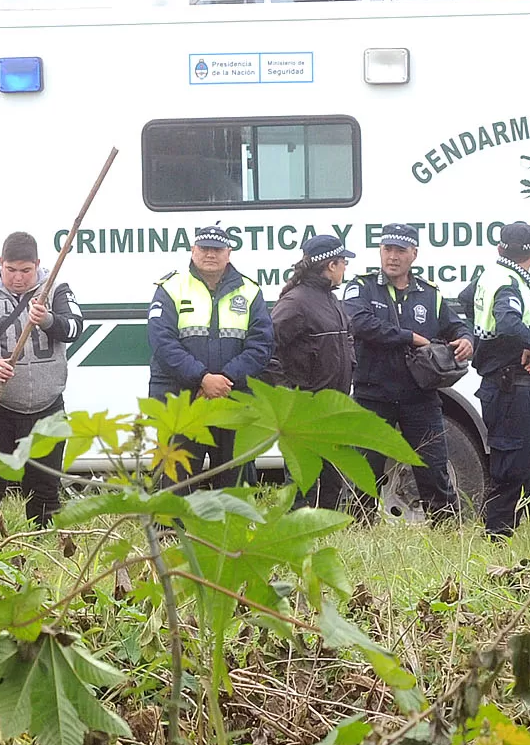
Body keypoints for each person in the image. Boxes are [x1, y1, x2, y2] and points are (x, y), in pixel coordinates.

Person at [0, 232, 83, 527]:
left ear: (38, 264)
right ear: (1, 264)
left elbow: (74, 328)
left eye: (26, 271)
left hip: (46, 407)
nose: (18, 279)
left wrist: (47, 320)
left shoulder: (57, 289)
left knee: (46, 490)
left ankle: (45, 550)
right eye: (11, 271)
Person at [344, 223, 474, 522]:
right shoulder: (362, 287)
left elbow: (455, 324)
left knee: (434, 469)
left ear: (413, 254)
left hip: (420, 397)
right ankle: (358, 532)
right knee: (365, 470)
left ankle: (446, 533)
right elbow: (359, 323)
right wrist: (408, 337)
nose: (392, 256)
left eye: (400, 250)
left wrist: (466, 338)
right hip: (373, 395)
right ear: (380, 251)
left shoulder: (429, 293)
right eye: (387, 249)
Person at [458, 222, 530, 540]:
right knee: (512, 471)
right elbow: (507, 321)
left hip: (519, 390)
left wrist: (481, 338)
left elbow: (465, 299)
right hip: (509, 390)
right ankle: (498, 537)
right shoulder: (508, 283)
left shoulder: (491, 274)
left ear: (500, 249)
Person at [146, 225, 273, 488]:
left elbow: (261, 346)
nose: (210, 254)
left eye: (217, 249)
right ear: (193, 251)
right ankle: (168, 532)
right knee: (173, 487)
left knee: (232, 488)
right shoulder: (171, 287)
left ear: (229, 253)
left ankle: (228, 531)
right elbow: (162, 343)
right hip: (180, 402)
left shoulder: (250, 291)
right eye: (204, 248)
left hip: (232, 401)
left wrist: (224, 379)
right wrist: (202, 378)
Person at [270, 234, 356, 510]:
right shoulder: (295, 302)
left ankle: (326, 538)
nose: (345, 268)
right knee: (302, 484)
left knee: (331, 481)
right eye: (343, 262)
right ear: (331, 265)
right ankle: (296, 541)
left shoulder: (331, 299)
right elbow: (266, 351)